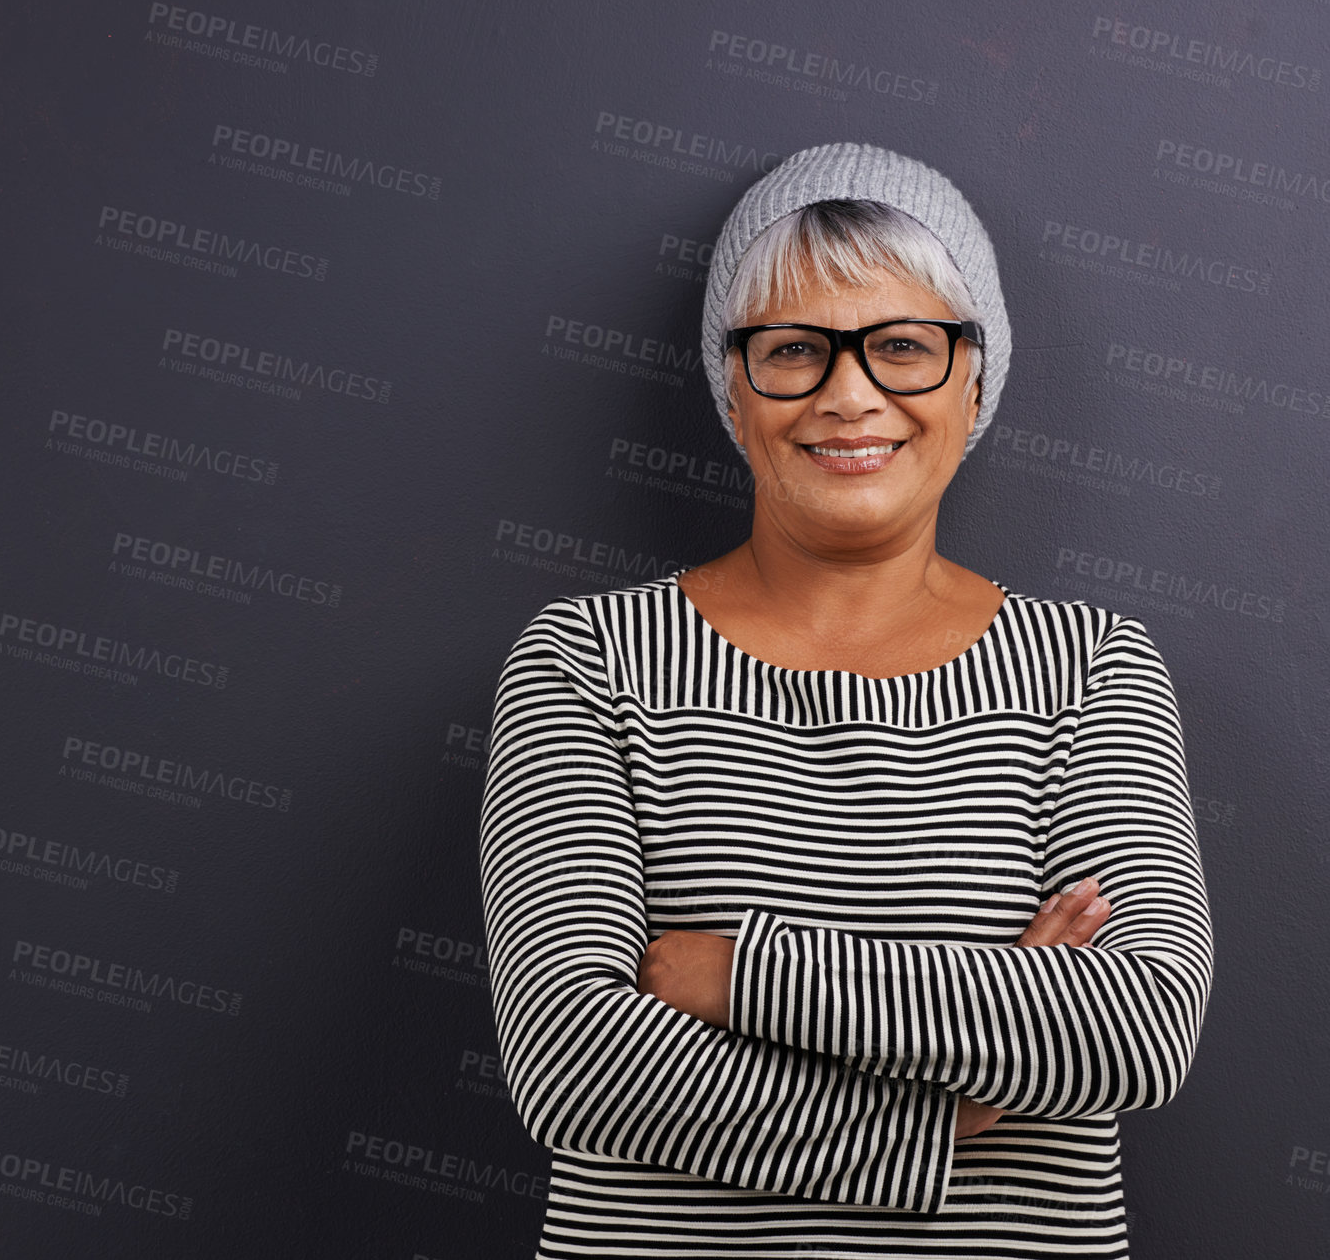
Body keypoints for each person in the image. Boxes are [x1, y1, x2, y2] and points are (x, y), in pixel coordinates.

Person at [478, 142, 1213, 1259]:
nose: (848, 394)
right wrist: (944, 1108)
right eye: (791, 350)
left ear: (976, 376)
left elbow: (1137, 1027)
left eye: (903, 346)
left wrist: (734, 974)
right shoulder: (590, 660)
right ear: (735, 384)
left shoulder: (1090, 667)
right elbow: (571, 1061)